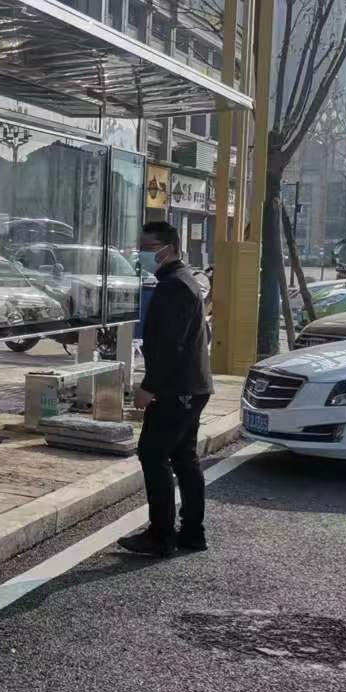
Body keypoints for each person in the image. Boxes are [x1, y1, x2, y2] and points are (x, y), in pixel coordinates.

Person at [119, 219, 214, 558]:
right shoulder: (182, 280)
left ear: (169, 249)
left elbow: (170, 345)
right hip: (190, 386)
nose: (142, 255)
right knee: (183, 457)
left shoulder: (174, 286)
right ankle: (191, 533)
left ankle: (161, 535)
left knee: (153, 453)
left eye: (147, 249)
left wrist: (149, 387)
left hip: (177, 388)